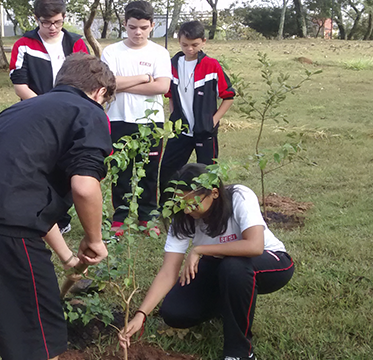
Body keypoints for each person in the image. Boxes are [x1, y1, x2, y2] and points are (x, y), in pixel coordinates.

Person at [0, 53, 115, 360]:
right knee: (37, 336)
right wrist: (95, 239)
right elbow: (85, 187)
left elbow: (23, 192)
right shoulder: (88, 111)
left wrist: (67, 256)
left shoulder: (22, 109)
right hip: (5, 228)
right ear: (100, 92)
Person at [118, 163, 295, 360]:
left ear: (214, 193)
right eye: (181, 204)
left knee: (234, 267)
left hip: (271, 262)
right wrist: (141, 315)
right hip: (220, 266)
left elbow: (255, 246)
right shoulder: (182, 217)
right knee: (175, 312)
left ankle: (239, 352)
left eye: (193, 204)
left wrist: (200, 250)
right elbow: (168, 272)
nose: (186, 211)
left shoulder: (239, 196)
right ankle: (229, 304)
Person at [9, 0, 90, 234]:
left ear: (63, 18)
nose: (52, 27)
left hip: (70, 115)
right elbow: (20, 85)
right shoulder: (24, 45)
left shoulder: (76, 43)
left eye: (57, 22)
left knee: (65, 167)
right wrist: (44, 108)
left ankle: (61, 217)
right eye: (46, 23)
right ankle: (38, 213)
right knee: (38, 165)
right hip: (35, 115)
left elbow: (85, 80)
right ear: (36, 19)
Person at [101, 0, 172, 236]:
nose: (137, 32)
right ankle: (120, 218)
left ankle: (147, 217)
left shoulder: (159, 53)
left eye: (143, 27)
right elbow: (108, 83)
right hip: (118, 119)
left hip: (151, 122)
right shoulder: (111, 52)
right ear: (125, 24)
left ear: (152, 25)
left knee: (149, 171)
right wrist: (144, 77)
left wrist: (123, 84)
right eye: (132, 27)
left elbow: (162, 86)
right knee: (120, 171)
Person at [159, 21, 236, 187]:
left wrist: (213, 121)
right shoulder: (172, 65)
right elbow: (170, 94)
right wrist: (174, 115)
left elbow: (228, 96)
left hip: (205, 131)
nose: (189, 49)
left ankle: (208, 204)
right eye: (185, 45)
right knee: (168, 171)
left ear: (203, 41)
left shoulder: (211, 66)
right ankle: (167, 204)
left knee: (207, 175)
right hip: (180, 131)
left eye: (194, 45)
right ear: (179, 41)